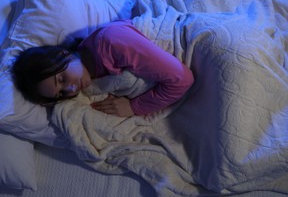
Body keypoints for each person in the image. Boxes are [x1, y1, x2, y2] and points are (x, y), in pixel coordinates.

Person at [11, 19, 194, 117]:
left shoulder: (112, 43)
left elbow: (182, 80)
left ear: (62, 54)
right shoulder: (92, 75)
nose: (71, 89)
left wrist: (134, 107)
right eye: (61, 94)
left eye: (61, 79)